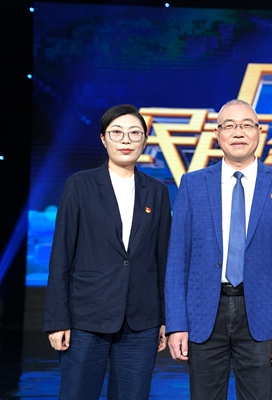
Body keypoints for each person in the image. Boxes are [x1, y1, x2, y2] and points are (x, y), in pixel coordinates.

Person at [165, 99, 272, 399]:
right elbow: (177, 261)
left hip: (261, 317)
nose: (238, 132)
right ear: (217, 134)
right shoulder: (192, 184)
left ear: (259, 132)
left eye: (246, 125)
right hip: (203, 314)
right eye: (229, 126)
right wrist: (176, 324)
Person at [43, 104, 172, 399]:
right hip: (86, 318)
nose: (126, 140)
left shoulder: (157, 191)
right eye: (117, 132)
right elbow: (61, 255)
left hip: (141, 321)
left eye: (134, 133)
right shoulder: (80, 185)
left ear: (144, 140)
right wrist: (57, 320)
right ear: (103, 139)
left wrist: (166, 318)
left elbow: (163, 258)